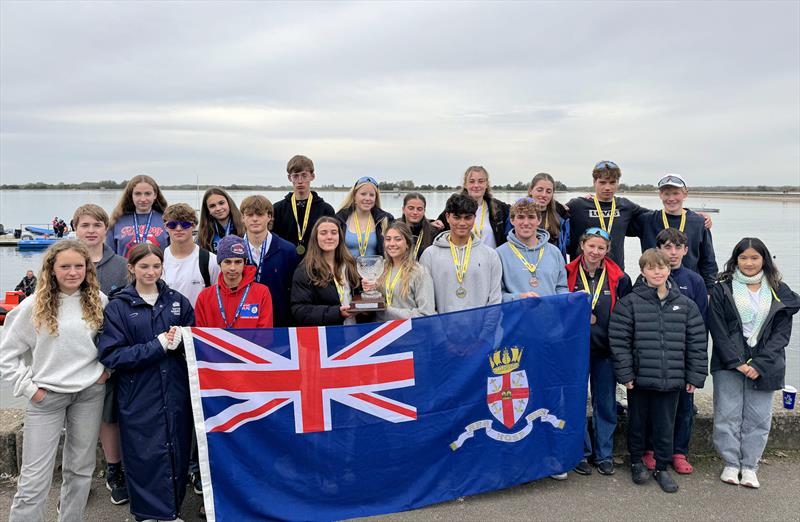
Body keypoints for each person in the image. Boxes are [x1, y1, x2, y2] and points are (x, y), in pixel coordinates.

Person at [0, 241, 108, 521]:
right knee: (34, 477)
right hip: (46, 398)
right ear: (52, 269)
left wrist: (105, 373)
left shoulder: (99, 300)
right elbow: (7, 355)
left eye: (78, 266)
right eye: (65, 266)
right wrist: (29, 389)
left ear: (87, 268)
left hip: (89, 394)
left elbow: (112, 344)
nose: (72, 272)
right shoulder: (32, 306)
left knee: (80, 470)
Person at [97, 244, 195, 522]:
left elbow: (194, 341)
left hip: (175, 389)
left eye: (156, 266)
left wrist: (183, 341)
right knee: (143, 452)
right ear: (131, 268)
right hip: (138, 392)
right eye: (144, 266)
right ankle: (147, 513)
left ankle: (171, 510)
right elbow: (113, 354)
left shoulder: (178, 301)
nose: (151, 272)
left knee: (175, 447)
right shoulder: (118, 307)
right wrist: (159, 345)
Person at [609, 249, 708, 493]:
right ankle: (636, 462)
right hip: (640, 379)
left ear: (668, 270)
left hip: (672, 378)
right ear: (642, 270)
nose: (657, 272)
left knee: (666, 426)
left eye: (661, 267)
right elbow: (619, 341)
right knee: (638, 423)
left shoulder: (686, 305)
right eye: (651, 267)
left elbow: (697, 342)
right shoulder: (629, 303)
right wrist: (626, 374)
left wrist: (695, 375)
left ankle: (662, 468)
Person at [708, 238, 799, 489]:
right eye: (744, 258)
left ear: (764, 260)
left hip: (766, 365)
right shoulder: (722, 287)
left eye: (754, 258)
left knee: (758, 417)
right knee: (727, 414)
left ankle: (750, 466)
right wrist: (737, 361)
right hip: (729, 363)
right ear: (736, 259)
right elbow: (717, 328)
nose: (749, 263)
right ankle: (730, 463)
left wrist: (759, 364)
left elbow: (781, 334)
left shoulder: (779, 290)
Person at [637, 228, 709, 475]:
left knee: (684, 407)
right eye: (667, 247)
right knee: (650, 408)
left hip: (681, 359)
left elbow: (700, 327)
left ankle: (679, 451)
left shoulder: (694, 281)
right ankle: (650, 449)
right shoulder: (644, 280)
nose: (673, 252)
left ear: (686, 251)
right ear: (658, 250)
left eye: (678, 247)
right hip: (652, 360)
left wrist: (695, 369)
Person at [72, 203, 130, 504]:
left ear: (106, 229)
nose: (91, 231)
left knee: (110, 415)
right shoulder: (65, 262)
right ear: (75, 228)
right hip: (74, 355)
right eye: (85, 225)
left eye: (97, 225)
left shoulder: (121, 265)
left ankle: (114, 469)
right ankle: (75, 484)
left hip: (112, 353)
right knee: (79, 418)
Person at [565, 228, 632, 478]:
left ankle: (604, 454)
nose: (595, 252)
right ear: (582, 245)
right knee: (576, 402)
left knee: (605, 404)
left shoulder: (619, 278)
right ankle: (580, 452)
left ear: (607, 251)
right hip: (575, 351)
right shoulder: (568, 273)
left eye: (600, 248)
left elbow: (626, 315)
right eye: (591, 246)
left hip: (606, 350)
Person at [633, 174, 718, 289]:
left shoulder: (698, 222)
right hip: (653, 286)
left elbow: (708, 261)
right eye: (666, 194)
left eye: (676, 193)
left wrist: (709, 290)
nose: (671, 198)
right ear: (660, 195)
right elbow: (618, 225)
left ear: (685, 194)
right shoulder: (647, 220)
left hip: (689, 287)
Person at [421, 193, 502, 313]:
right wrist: (439, 330)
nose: (462, 223)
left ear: (475, 218)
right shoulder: (430, 255)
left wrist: (487, 330)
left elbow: (495, 301)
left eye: (468, 217)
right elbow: (426, 302)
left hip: (480, 329)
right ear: (447, 217)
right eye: (457, 217)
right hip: (442, 329)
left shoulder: (490, 255)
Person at [566, 161, 648, 271]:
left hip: (615, 274)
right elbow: (550, 211)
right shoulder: (578, 205)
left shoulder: (625, 206)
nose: (607, 187)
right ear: (594, 182)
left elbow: (655, 217)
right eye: (602, 182)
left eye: (612, 182)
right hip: (581, 275)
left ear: (618, 183)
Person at [291, 217, 363, 326]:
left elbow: (358, 295)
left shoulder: (350, 265)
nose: (329, 237)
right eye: (323, 233)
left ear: (340, 236)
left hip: (355, 333)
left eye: (334, 233)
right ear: (316, 237)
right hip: (327, 337)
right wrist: (336, 313)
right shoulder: (305, 271)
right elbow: (300, 310)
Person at [239, 195, 299, 326]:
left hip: (279, 321)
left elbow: (294, 291)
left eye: (260, 214)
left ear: (270, 216)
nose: (255, 219)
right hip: (242, 323)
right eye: (249, 215)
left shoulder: (287, 250)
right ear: (242, 218)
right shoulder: (234, 250)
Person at [195, 235, 274, 328]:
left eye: (238, 262)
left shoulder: (262, 293)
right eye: (227, 262)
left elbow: (265, 335)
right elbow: (201, 336)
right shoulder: (205, 297)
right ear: (219, 263)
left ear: (245, 262)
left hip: (252, 343)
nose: (232, 268)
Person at [497, 197, 568, 301]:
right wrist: (519, 298)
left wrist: (572, 299)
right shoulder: (499, 254)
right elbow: (496, 294)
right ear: (512, 220)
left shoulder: (554, 252)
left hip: (549, 316)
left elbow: (561, 288)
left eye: (531, 217)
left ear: (539, 220)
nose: (526, 223)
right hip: (517, 316)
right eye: (521, 217)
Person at [364, 221, 435, 319]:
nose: (392, 244)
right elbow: (372, 305)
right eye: (388, 239)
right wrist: (369, 290)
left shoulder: (419, 273)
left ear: (407, 244)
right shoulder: (379, 267)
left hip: (408, 331)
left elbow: (426, 314)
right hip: (380, 331)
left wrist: (387, 310)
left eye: (398, 239)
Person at [272, 154, 336, 257]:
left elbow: (332, 241)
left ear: (312, 176)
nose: (300, 181)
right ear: (289, 178)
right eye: (295, 176)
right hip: (286, 262)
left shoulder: (325, 210)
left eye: (304, 175)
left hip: (316, 263)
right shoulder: (278, 209)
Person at [434, 166, 510, 248]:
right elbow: (434, 226)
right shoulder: (454, 206)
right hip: (461, 259)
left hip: (492, 259)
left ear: (486, 184)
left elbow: (520, 212)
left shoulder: (499, 208)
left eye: (481, 181)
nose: (476, 185)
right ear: (465, 185)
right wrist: (431, 222)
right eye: (472, 181)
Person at [161, 203, 220, 307]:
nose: (178, 229)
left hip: (198, 321)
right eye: (172, 225)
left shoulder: (211, 260)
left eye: (185, 225)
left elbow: (218, 298)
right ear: (165, 227)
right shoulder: (158, 260)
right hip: (166, 322)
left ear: (194, 226)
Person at [107, 174, 169, 257]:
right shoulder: (117, 220)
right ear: (131, 196)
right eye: (138, 194)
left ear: (155, 195)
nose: (143, 199)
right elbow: (109, 256)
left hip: (157, 269)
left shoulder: (167, 220)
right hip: (125, 270)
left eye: (147, 194)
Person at [335, 176, 394, 258]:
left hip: (375, 270)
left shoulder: (385, 220)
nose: (367, 198)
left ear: (376, 198)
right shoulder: (339, 219)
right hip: (346, 270)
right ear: (354, 196)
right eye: (363, 194)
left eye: (371, 195)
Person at [528, 172, 570, 260]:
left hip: (553, 267)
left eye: (548, 191)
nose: (544, 195)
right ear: (531, 190)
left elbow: (566, 245)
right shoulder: (517, 215)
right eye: (539, 190)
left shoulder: (561, 217)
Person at [197, 187, 244, 253]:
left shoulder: (244, 226)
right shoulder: (203, 233)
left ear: (229, 203)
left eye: (221, 203)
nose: (218, 208)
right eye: (212, 206)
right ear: (208, 210)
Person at [398, 192, 439, 260]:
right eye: (411, 208)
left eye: (419, 209)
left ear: (424, 211)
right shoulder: (394, 229)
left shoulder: (433, 232)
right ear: (403, 209)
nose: (415, 212)